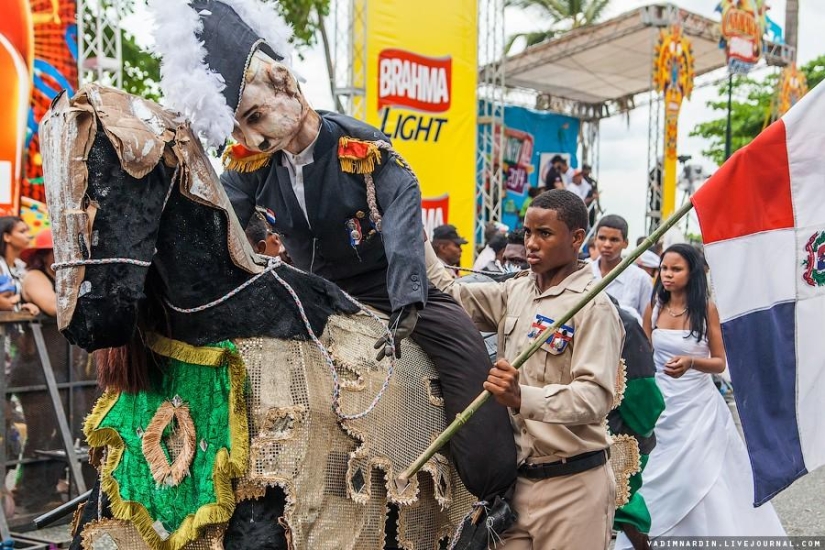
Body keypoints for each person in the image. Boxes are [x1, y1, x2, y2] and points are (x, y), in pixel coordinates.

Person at [150, 0, 518, 540]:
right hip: (316, 299)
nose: (252, 138)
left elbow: (400, 213)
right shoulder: (252, 165)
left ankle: (494, 498)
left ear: (288, 88)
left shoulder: (361, 146)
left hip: (395, 297)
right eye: (240, 127)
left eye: (255, 118)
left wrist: (408, 301)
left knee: (468, 369)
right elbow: (219, 218)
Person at [425, 189, 624, 550]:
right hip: (513, 489)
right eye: (527, 233)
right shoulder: (517, 291)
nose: (531, 244)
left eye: (544, 234)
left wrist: (522, 397)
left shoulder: (594, 306)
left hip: (573, 488)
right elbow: (448, 295)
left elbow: (595, 397)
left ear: (577, 238)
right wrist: (415, 236)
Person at [615, 245, 785, 547]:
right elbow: (643, 354)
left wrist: (692, 362)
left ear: (692, 273)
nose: (667, 275)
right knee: (655, 472)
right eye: (664, 268)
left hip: (698, 408)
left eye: (675, 269)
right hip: (662, 407)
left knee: (702, 473)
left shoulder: (706, 309)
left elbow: (720, 362)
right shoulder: (654, 306)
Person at [12, 229, 96, 512]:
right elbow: (54, 306)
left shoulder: (70, 276)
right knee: (41, 434)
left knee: (72, 432)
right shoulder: (35, 277)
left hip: (68, 372)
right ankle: (29, 494)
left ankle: (50, 492)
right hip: (36, 370)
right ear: (47, 254)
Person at [607, 296, 665, 550]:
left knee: (623, 500)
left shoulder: (623, 323)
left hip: (618, 429)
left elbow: (644, 394)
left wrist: (636, 431)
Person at [591, 215, 653, 321]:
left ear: (625, 243)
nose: (607, 244)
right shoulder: (582, 271)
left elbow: (647, 322)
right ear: (595, 239)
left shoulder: (641, 279)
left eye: (614, 240)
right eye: (602, 238)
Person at [0, 217, 38, 315]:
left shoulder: (22, 266)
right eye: (22, 232)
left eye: (27, 231)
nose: (28, 236)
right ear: (7, 237)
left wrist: (23, 304)